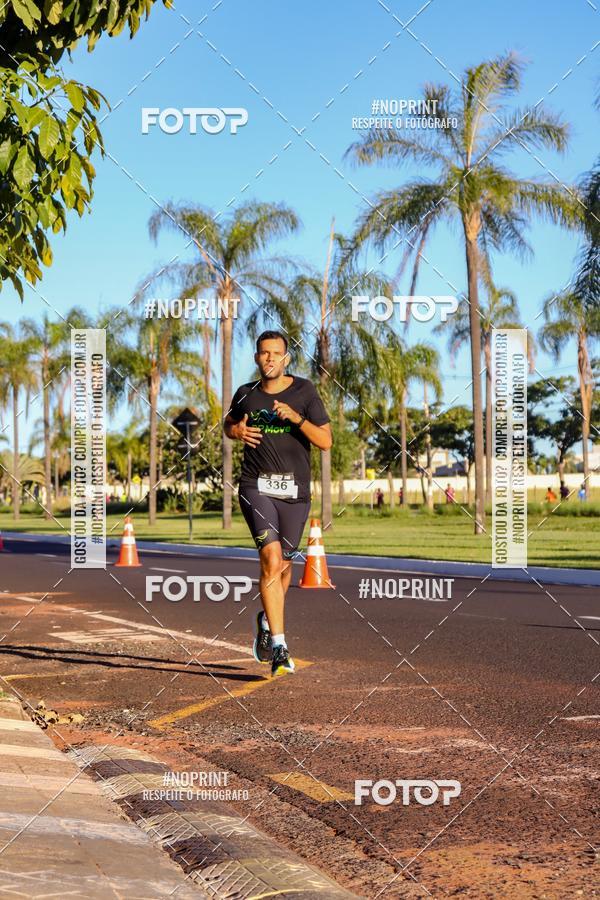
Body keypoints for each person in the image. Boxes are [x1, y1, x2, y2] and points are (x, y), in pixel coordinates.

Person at [224, 330, 332, 677]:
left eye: (276, 353)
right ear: (257, 357)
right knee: (271, 559)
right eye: (264, 353)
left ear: (286, 358)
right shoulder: (246, 393)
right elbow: (229, 423)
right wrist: (237, 432)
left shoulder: (304, 391)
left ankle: (267, 622)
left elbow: (325, 441)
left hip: (294, 492)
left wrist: (297, 419)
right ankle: (280, 648)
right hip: (255, 486)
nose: (269, 358)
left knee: (283, 566)